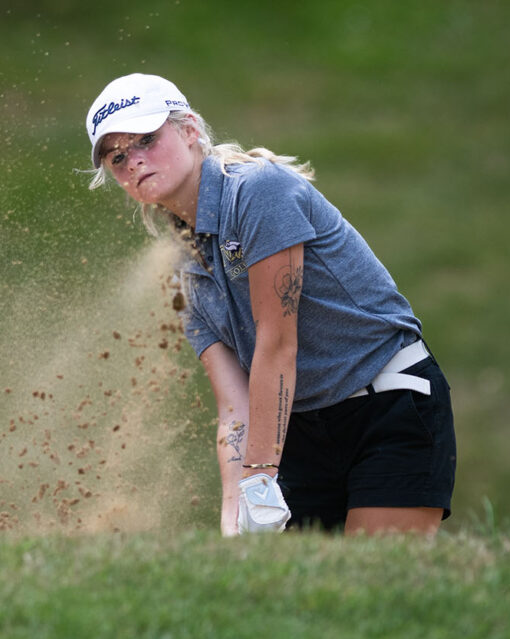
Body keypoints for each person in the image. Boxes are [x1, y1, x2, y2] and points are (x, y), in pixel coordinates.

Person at [84, 73, 456, 536]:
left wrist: (259, 476)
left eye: (146, 139)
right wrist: (234, 511)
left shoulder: (259, 191)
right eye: (118, 157)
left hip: (386, 406)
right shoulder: (186, 273)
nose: (134, 160)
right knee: (295, 597)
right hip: (299, 432)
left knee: (376, 583)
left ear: (190, 130)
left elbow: (278, 343)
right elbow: (235, 406)